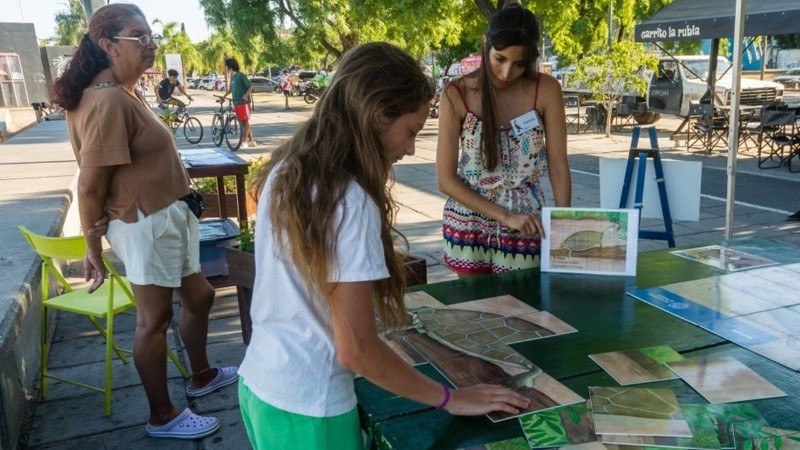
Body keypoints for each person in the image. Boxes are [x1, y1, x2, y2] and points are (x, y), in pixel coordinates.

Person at [239, 42, 530, 449]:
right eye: (410, 131)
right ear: (377, 115)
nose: (411, 148)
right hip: (312, 409)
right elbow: (356, 349)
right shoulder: (349, 198)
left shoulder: (289, 168)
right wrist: (450, 397)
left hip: (262, 385)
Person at [50, 4, 237, 440]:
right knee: (154, 322)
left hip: (167, 217)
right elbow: (90, 185)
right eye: (140, 37)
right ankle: (162, 415)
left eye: (151, 36)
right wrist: (91, 250)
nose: (151, 45)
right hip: (146, 222)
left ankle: (203, 374)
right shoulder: (108, 99)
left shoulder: (123, 91)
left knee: (201, 296)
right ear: (108, 45)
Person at [437, 4, 571, 278]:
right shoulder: (455, 94)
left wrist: (563, 223)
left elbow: (558, 164)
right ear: (485, 44)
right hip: (469, 222)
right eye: (500, 59)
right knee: (475, 312)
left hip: (527, 224)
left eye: (519, 64)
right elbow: (445, 180)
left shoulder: (546, 90)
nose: (506, 72)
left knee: (526, 310)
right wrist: (505, 216)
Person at [219, 58, 257, 147]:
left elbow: (250, 86)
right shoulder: (233, 76)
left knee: (245, 121)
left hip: (243, 102)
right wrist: (223, 96)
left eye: (226, 66)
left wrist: (246, 95)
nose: (225, 68)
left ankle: (244, 141)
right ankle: (252, 141)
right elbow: (231, 89)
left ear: (230, 67)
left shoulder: (240, 75)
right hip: (236, 102)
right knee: (244, 122)